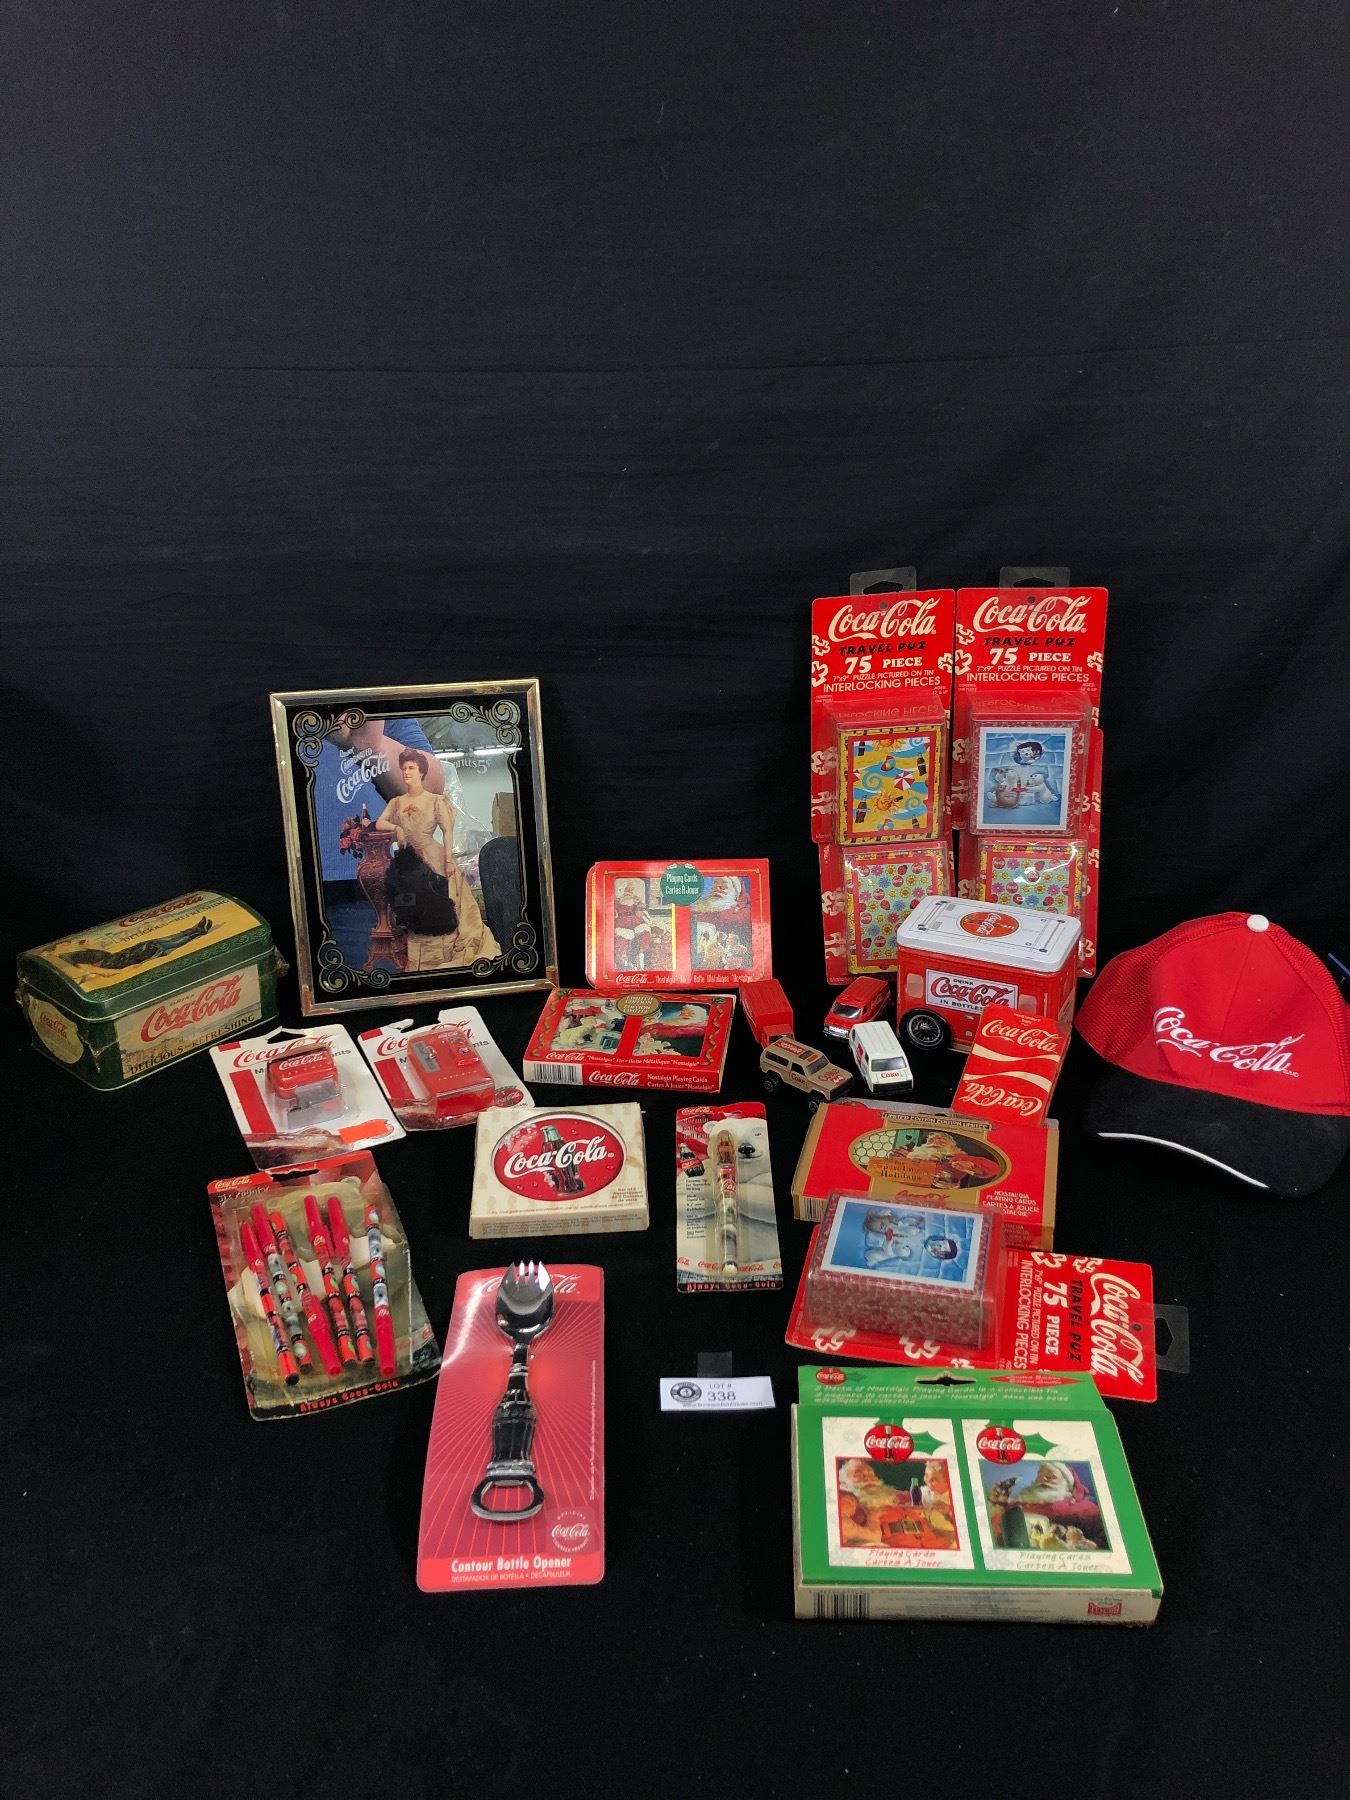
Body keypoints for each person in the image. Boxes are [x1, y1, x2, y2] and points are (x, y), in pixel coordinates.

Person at [375, 749, 500, 968]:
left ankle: (445, 956)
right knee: (412, 906)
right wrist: (397, 828)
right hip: (408, 859)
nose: (406, 772)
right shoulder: (397, 802)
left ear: (421, 772)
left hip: (434, 855)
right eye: (404, 768)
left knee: (444, 904)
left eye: (411, 768)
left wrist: (448, 859)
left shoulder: (435, 801)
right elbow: (380, 823)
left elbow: (447, 831)